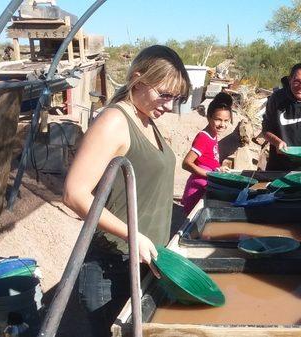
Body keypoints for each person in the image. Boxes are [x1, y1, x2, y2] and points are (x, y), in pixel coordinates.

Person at [63, 45, 190, 336]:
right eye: (165, 94)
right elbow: (74, 193)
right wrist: (134, 235)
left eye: (176, 98)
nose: (169, 105)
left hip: (143, 260)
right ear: (137, 78)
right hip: (111, 267)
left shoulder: (146, 118)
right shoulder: (115, 121)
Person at [181, 92, 233, 214]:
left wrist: (218, 169)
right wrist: (210, 174)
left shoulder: (213, 134)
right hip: (196, 190)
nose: (222, 124)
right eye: (218, 120)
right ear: (209, 117)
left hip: (205, 187)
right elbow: (186, 163)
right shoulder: (203, 138)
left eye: (226, 120)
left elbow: (207, 160)